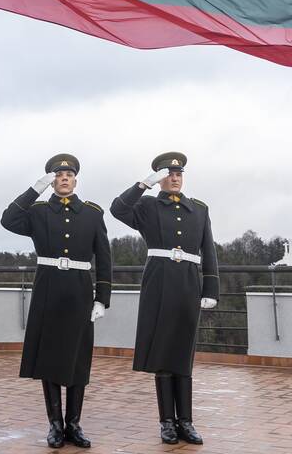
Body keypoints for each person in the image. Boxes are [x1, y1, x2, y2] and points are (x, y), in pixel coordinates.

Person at [1, 154, 111, 449]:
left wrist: (102, 298)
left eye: (68, 174)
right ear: (51, 181)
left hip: (78, 291)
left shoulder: (92, 214)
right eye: (57, 175)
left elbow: (104, 258)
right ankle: (55, 425)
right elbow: (7, 219)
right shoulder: (37, 212)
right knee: (49, 359)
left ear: (76, 179)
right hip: (48, 288)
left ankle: (74, 424)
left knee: (78, 360)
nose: (63, 178)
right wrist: (34, 189)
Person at [110, 152, 218, 446]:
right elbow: (117, 209)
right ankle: (166, 422)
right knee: (163, 353)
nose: (174, 178)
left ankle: (186, 421)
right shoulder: (145, 206)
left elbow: (209, 250)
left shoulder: (199, 209)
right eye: (168, 174)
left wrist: (210, 289)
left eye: (178, 174)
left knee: (183, 354)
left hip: (188, 284)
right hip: (158, 282)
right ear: (160, 178)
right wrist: (142, 184)